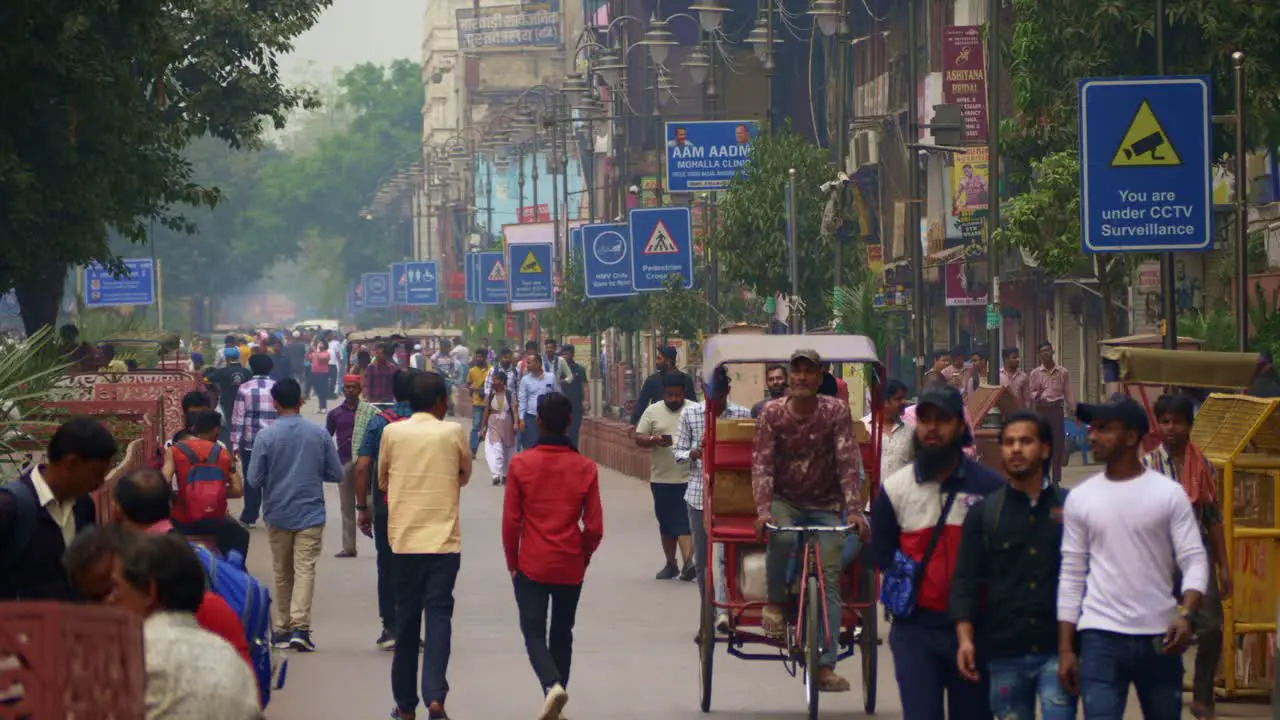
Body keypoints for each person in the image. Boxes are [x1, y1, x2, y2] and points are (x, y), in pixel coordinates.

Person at [1057, 396, 1208, 719]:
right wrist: (1067, 648)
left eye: (1104, 429)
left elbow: (1194, 559)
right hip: (1099, 637)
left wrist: (1187, 614)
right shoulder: (1081, 499)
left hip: (1160, 636)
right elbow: (1070, 576)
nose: (1092, 436)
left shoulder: (1168, 495)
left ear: (1130, 437)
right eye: (1092, 428)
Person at [871, 386, 1003, 718]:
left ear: (960, 426)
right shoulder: (895, 489)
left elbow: (1003, 558)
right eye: (925, 420)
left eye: (941, 420)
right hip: (916, 631)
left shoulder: (990, 489)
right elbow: (882, 552)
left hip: (977, 631)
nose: (931, 428)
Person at [753, 349, 871, 693]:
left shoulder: (835, 411)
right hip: (784, 501)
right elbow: (762, 465)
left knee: (829, 578)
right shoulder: (772, 414)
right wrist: (763, 510)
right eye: (797, 370)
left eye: (809, 371)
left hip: (826, 504)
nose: (802, 377)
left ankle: (825, 666)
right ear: (790, 376)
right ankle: (776, 601)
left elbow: (848, 463)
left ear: (820, 378)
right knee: (784, 537)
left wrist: (853, 509)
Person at [951, 411, 1075, 720]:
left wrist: (1073, 648)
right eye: (1009, 443)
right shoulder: (984, 513)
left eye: (1025, 441)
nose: (1016, 449)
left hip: (1057, 651)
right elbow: (966, 579)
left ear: (1045, 449)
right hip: (1005, 653)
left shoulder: (1072, 507)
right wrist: (965, 640)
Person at [86, 530, 261, 720]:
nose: (109, 600)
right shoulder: (230, 657)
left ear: (150, 591)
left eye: (115, 587)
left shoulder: (130, 654)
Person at [503, 392, 603, 720]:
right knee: (562, 631)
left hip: (532, 562)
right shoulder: (586, 467)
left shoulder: (520, 464)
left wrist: (512, 563)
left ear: (539, 422)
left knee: (533, 632)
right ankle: (555, 698)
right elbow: (594, 527)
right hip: (569, 563)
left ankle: (552, 686)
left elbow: (511, 522)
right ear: (570, 422)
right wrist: (582, 555)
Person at [379, 371, 471, 720]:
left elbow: (383, 480)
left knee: (406, 624)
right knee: (439, 617)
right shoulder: (452, 432)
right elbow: (463, 474)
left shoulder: (392, 432)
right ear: (439, 402)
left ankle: (405, 706)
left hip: (403, 541)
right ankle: (435, 697)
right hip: (443, 542)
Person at [1142, 394, 1230, 720]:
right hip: (1160, 558)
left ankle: (1203, 697)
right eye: (1164, 422)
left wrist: (1224, 567)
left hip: (1198, 553)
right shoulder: (1148, 466)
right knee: (1164, 628)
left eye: (1177, 422)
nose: (1171, 428)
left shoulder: (1203, 465)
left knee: (1211, 628)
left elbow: (1214, 517)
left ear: (1189, 425)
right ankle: (1172, 686)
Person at [247, 379, 343, 653]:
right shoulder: (319, 434)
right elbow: (336, 474)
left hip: (277, 511)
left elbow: (254, 479)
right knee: (305, 570)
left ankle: (282, 629)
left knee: (282, 571)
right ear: (301, 400)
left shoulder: (265, 437)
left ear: (274, 403)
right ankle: (300, 628)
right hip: (310, 511)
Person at [0, 418, 116, 600]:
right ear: (71, 463)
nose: (100, 483)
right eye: (97, 473)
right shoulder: (10, 508)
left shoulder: (83, 507)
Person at [674, 367, 750, 631]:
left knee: (726, 557)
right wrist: (694, 453)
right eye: (710, 397)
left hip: (733, 497)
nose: (714, 403)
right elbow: (678, 452)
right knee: (703, 560)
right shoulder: (691, 413)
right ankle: (709, 611)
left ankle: (725, 612)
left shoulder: (742, 414)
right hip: (698, 495)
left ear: (727, 391)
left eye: (719, 397)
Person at [355, 369, 417, 651]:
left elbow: (363, 464)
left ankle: (390, 627)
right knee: (417, 569)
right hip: (419, 507)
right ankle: (412, 630)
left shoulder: (379, 422)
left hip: (386, 505)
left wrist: (362, 506)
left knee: (387, 565)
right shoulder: (427, 425)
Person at [161, 410, 250, 558]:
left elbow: (163, 482)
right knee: (241, 536)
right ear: (216, 430)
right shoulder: (223, 453)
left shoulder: (174, 451)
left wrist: (179, 495)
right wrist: (216, 493)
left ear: (194, 427)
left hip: (183, 521)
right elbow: (238, 490)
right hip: (215, 522)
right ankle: (235, 574)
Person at [636, 372, 696, 581]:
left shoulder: (694, 410)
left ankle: (689, 562)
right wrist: (653, 440)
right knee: (666, 523)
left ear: (684, 393)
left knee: (684, 522)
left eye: (678, 395)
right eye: (670, 395)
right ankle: (671, 564)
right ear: (663, 393)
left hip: (690, 477)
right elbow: (638, 437)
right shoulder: (652, 411)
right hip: (661, 478)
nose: (674, 399)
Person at [328, 374, 375, 559]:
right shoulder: (335, 414)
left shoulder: (369, 412)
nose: (350, 390)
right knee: (346, 506)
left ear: (360, 390)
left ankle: (381, 544)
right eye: (347, 387)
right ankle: (349, 547)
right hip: (344, 462)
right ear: (342, 389)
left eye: (354, 387)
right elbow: (327, 437)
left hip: (365, 462)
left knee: (370, 503)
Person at [230, 353, 277, 529]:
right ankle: (272, 515)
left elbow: (238, 417)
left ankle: (250, 515)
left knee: (252, 479)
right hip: (275, 442)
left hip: (251, 442)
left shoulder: (244, 388)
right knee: (273, 479)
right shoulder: (278, 387)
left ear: (251, 367)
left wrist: (235, 443)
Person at [1029, 342, 1073, 485]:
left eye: (1048, 350)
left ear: (1053, 352)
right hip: (1042, 409)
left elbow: (1068, 393)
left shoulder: (1062, 372)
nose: (1045, 353)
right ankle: (1044, 476)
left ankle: (1056, 479)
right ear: (1039, 355)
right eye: (1042, 351)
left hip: (1057, 410)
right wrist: (1038, 394)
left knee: (1057, 444)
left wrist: (1073, 409)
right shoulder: (1035, 373)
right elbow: (1031, 393)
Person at [859, 379, 913, 480]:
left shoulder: (911, 431)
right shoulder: (863, 428)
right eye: (898, 399)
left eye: (903, 398)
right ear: (882, 402)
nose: (903, 402)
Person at [630, 346, 698, 426]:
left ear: (668, 361)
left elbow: (692, 404)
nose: (656, 362)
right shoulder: (652, 380)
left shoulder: (685, 380)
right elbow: (642, 403)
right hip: (659, 424)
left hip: (680, 424)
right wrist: (633, 422)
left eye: (659, 359)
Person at [481, 370, 518, 487]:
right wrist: (482, 427)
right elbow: (486, 411)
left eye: (496, 380)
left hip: (507, 423)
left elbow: (514, 410)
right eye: (493, 379)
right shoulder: (490, 395)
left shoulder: (510, 394)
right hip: (493, 424)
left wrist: (516, 422)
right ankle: (496, 474)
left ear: (502, 381)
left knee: (508, 450)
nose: (493, 382)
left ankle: (506, 475)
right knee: (497, 448)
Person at [517, 353, 559, 450]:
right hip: (531, 418)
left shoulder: (551, 377)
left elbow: (557, 395)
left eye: (529, 363)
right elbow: (522, 400)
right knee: (531, 444)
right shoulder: (525, 380)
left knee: (547, 444)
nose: (526, 365)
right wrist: (521, 418)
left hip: (547, 418)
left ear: (538, 364)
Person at [556, 344, 590, 446]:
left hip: (576, 404)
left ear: (572, 354)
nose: (565, 356)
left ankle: (573, 449)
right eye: (563, 354)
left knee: (575, 429)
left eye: (567, 353)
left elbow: (584, 385)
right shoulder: (558, 369)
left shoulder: (579, 369)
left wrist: (586, 400)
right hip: (561, 405)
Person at [209, 348, 253, 421]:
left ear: (227, 359)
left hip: (227, 403)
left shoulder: (221, 372)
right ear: (238, 357)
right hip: (244, 403)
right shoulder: (246, 372)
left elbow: (206, 379)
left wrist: (216, 388)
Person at [466, 348, 490, 457]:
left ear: (485, 357)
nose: (479, 359)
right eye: (477, 357)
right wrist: (472, 390)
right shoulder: (472, 371)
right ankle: (473, 450)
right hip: (477, 403)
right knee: (475, 426)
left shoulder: (492, 369)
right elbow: (468, 384)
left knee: (489, 427)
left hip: (489, 403)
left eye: (481, 357)